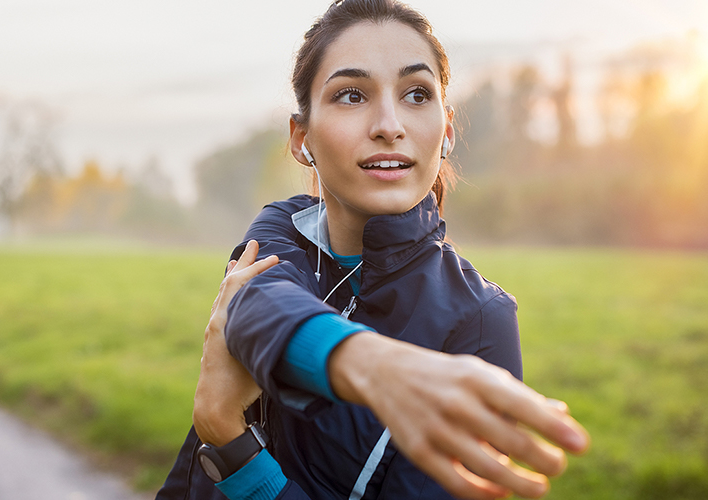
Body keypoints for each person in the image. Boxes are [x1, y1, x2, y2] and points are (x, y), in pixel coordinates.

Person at [157, 1, 589, 499]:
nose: (389, 124)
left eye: (416, 93)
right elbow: (255, 303)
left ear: (446, 132)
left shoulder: (480, 320)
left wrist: (232, 447)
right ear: (302, 138)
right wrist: (372, 365)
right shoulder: (284, 225)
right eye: (352, 94)